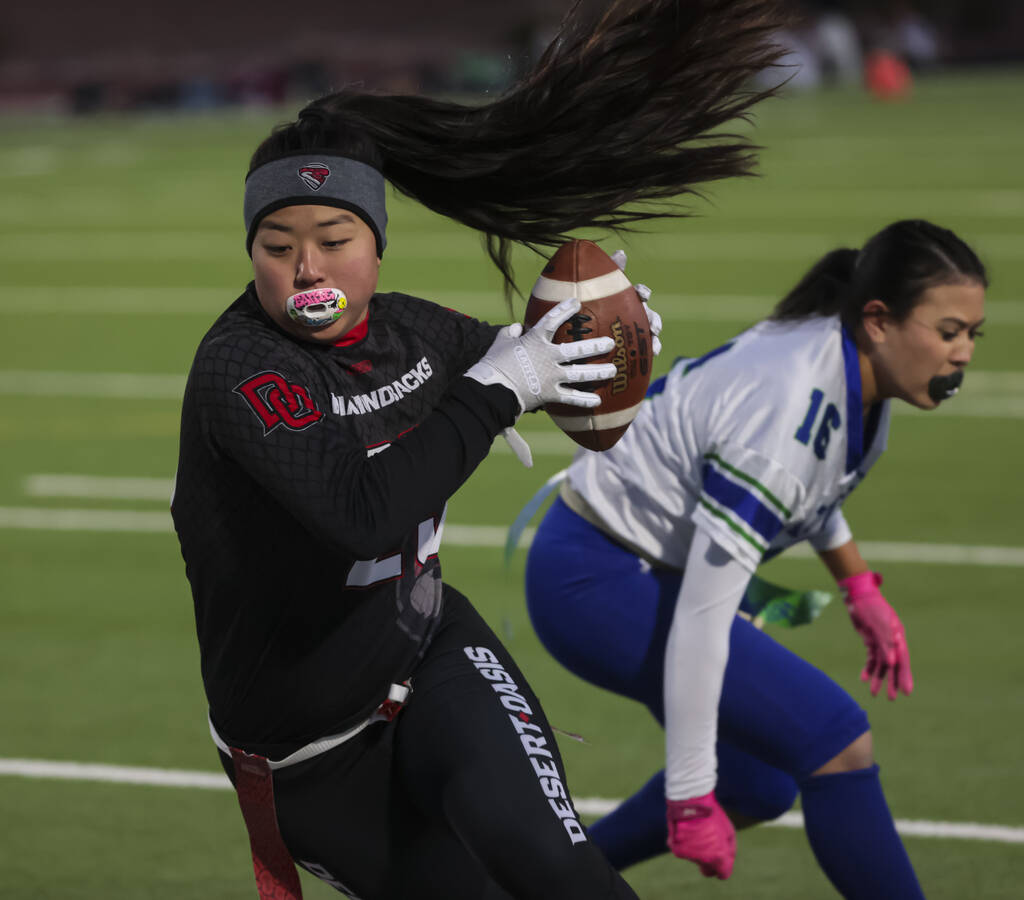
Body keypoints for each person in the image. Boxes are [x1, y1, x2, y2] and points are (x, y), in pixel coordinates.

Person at [170, 1, 787, 897]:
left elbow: (530, 363)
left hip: (430, 657)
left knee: (559, 869)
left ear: (376, 244)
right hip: (312, 756)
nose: (307, 270)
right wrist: (501, 387)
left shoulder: (409, 331)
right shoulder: (243, 368)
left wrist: (600, 349)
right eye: (277, 246)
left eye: (334, 241)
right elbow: (362, 517)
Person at [524, 219, 987, 898]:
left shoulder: (845, 360)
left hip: (632, 559)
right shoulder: (793, 401)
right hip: (596, 577)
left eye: (974, 333)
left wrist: (858, 584)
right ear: (879, 320)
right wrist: (688, 800)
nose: (964, 353)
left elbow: (812, 481)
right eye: (949, 332)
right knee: (836, 740)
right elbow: (704, 617)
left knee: (757, 781)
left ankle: (536, 887)